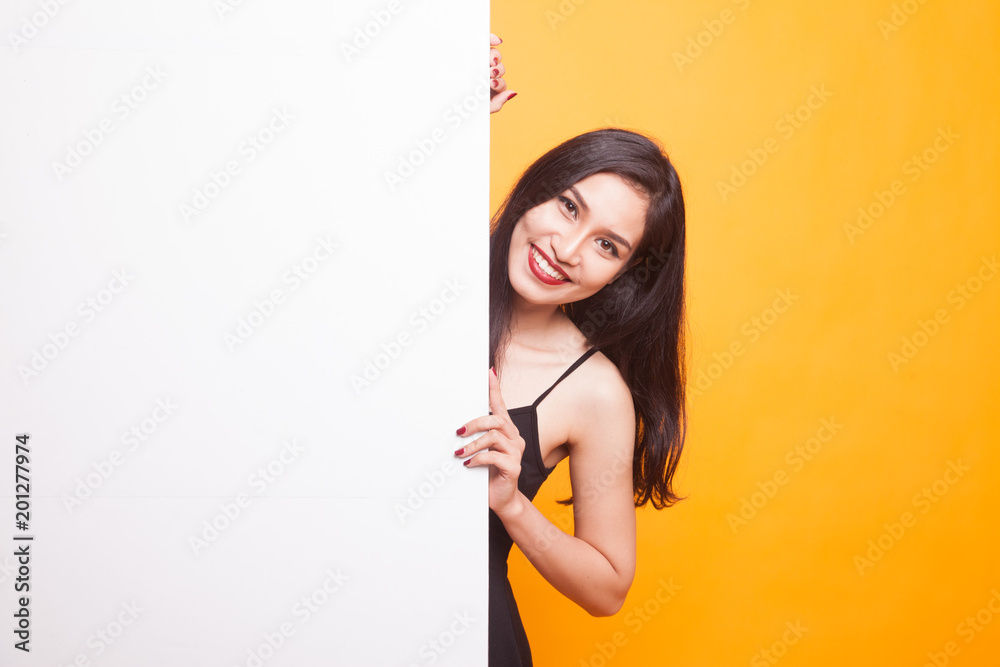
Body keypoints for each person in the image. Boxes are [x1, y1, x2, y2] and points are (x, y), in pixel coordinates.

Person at [454, 34, 687, 665]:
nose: (567, 248)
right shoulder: (428, 273)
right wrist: (440, 109)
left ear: (625, 274)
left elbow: (608, 587)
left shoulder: (594, 391)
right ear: (537, 187)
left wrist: (510, 504)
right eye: (567, 205)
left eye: (607, 245)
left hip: (465, 642)